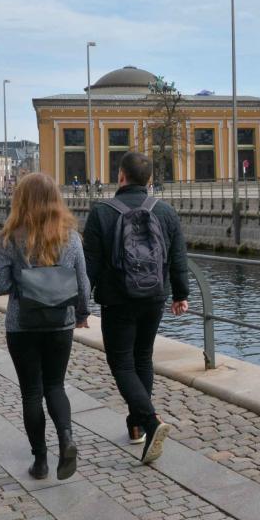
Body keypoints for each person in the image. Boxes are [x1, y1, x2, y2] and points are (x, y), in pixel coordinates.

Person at [84, 152, 189, 464]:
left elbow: (90, 266)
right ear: (150, 180)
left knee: (121, 364)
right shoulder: (165, 211)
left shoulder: (101, 212)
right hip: (154, 297)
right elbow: (178, 257)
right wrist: (180, 294)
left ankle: (151, 421)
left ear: (120, 176)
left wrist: (79, 306)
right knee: (143, 357)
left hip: (117, 300)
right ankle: (136, 426)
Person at [0, 173, 91, 481]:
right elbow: (83, 283)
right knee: (55, 386)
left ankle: (40, 461)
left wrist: (25, 282)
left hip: (22, 325)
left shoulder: (9, 237)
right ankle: (66, 438)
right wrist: (82, 314)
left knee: (31, 392)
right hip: (60, 323)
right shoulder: (70, 237)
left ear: (20, 200)